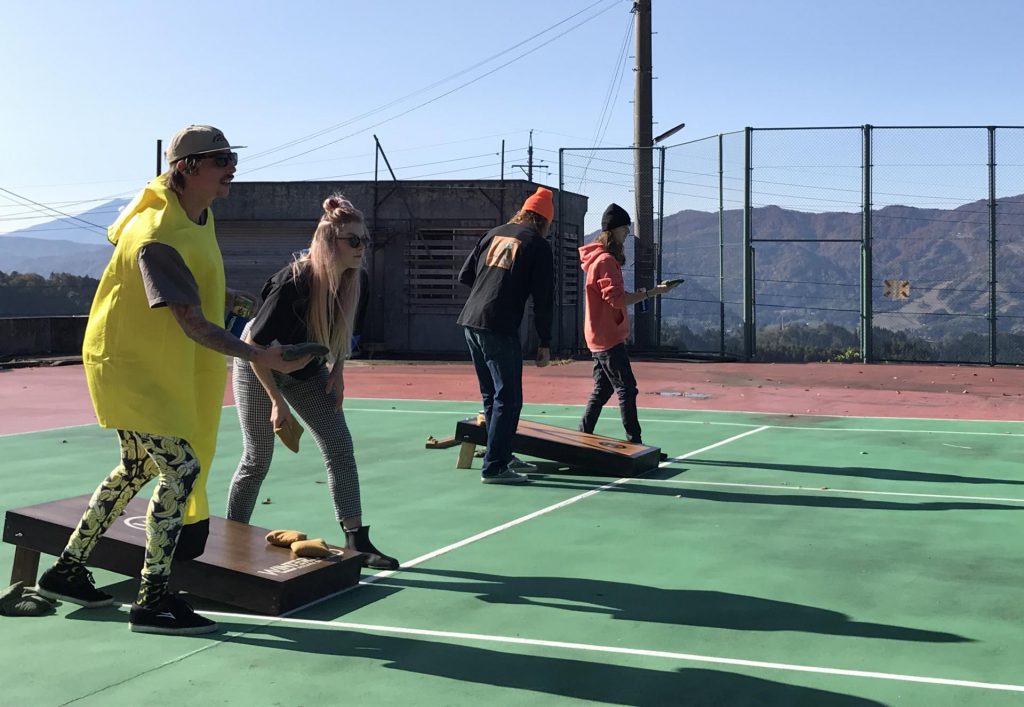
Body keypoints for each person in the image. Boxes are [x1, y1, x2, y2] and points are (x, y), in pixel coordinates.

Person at [36, 125, 311, 635]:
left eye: (232, 156)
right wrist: (260, 356)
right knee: (180, 469)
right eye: (221, 158)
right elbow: (190, 322)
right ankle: (153, 600)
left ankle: (66, 571)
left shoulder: (198, 216)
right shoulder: (157, 234)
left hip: (153, 367)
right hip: (127, 369)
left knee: (135, 469)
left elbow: (191, 289)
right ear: (186, 167)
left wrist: (224, 297)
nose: (233, 165)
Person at [226, 195, 399, 570]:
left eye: (364, 240)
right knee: (258, 458)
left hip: (308, 372)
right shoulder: (293, 282)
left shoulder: (358, 282)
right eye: (353, 241)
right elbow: (254, 347)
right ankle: (232, 537)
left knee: (340, 445)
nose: (361, 248)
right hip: (259, 370)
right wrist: (276, 400)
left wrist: (337, 374)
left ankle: (357, 540)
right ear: (328, 242)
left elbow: (344, 337)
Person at [457, 187, 555, 485]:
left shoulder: (494, 233)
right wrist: (545, 343)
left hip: (471, 321)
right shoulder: (537, 245)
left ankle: (501, 453)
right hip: (498, 325)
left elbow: (465, 276)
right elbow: (543, 299)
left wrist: (487, 292)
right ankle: (496, 466)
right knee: (509, 398)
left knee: (493, 395)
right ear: (544, 221)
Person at [577, 203, 680, 444]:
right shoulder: (605, 261)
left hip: (599, 335)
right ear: (613, 230)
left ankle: (582, 435)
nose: (626, 234)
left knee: (603, 389)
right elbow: (617, 300)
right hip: (608, 337)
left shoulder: (597, 259)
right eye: (624, 229)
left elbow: (613, 298)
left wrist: (648, 292)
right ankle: (634, 442)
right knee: (627, 388)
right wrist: (653, 292)